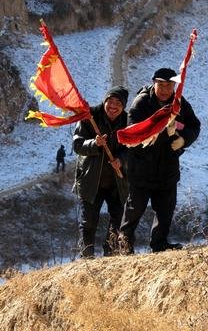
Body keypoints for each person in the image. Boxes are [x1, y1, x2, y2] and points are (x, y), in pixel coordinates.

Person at [119, 68, 200, 254]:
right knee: (134, 210)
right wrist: (166, 134)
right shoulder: (141, 103)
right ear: (154, 83)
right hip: (142, 167)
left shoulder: (179, 103)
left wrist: (184, 139)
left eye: (169, 85)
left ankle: (159, 244)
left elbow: (194, 125)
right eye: (161, 85)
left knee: (165, 210)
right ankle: (124, 246)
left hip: (168, 166)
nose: (165, 90)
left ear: (175, 86)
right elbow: (134, 136)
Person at [73, 86, 129, 258]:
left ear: (124, 106)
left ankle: (110, 256)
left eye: (118, 103)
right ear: (104, 101)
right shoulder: (89, 117)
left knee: (118, 222)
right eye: (110, 101)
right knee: (88, 222)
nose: (113, 106)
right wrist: (94, 144)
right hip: (91, 181)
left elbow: (134, 147)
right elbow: (77, 145)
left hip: (117, 182)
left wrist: (121, 159)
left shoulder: (128, 121)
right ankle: (86, 257)